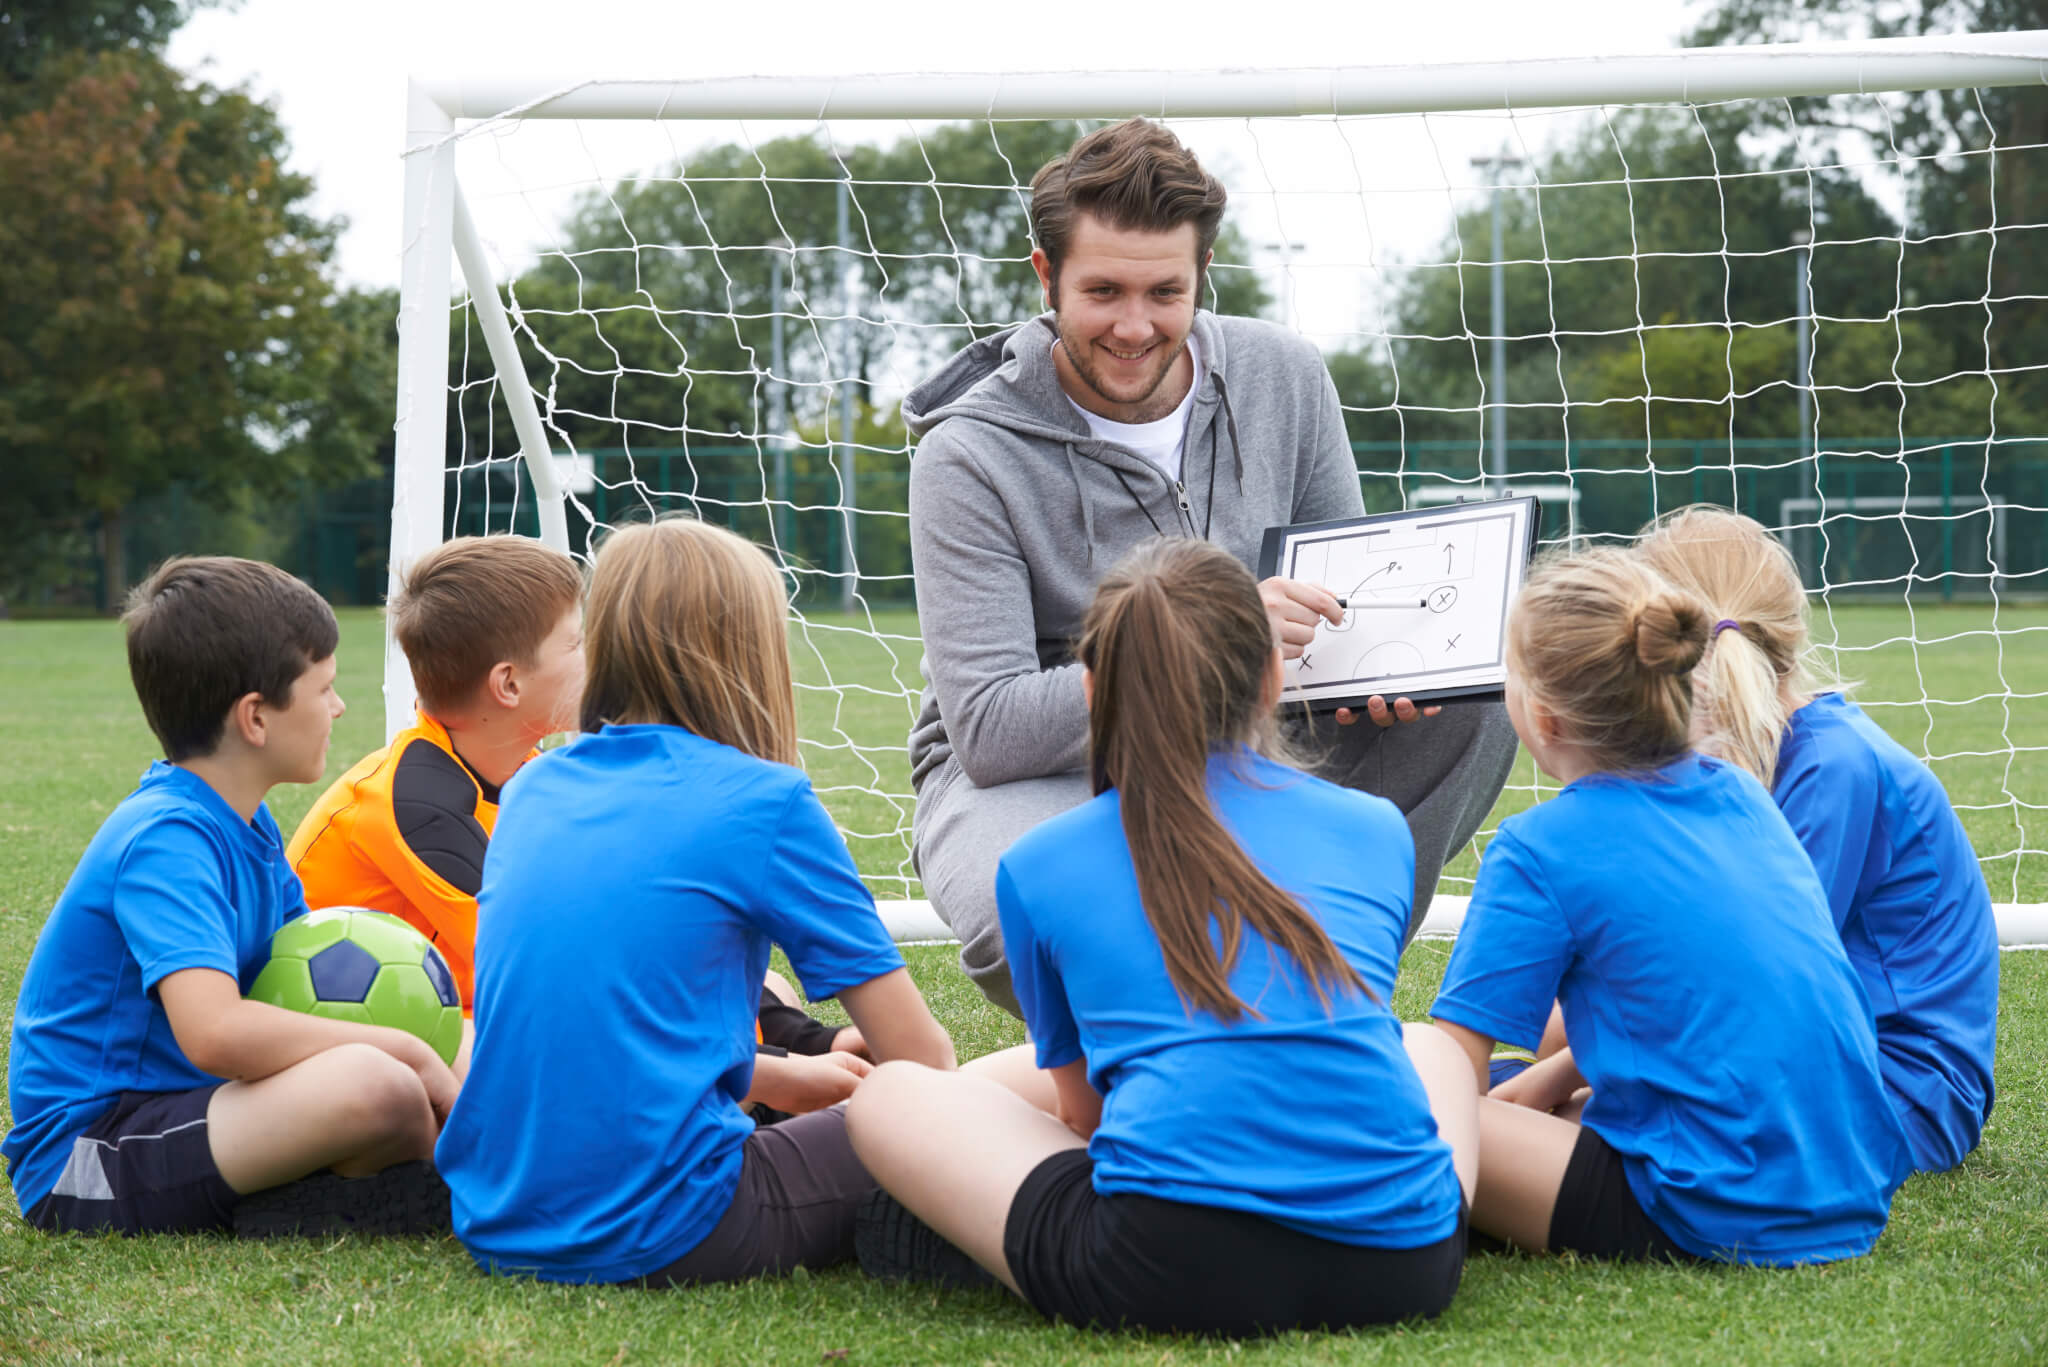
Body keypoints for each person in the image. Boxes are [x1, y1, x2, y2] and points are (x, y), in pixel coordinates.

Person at [905, 116, 1517, 1014]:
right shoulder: (965, 454)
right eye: (1103, 290)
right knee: (1026, 906)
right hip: (1055, 770)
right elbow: (992, 730)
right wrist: (1197, 647)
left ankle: (1324, 988)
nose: (1133, 324)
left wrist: (1380, 669)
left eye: (1165, 291)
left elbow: (1336, 609)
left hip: (1254, 733)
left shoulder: (1287, 376)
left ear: (1201, 277)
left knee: (1476, 704)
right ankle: (1144, 1069)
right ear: (1046, 277)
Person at [846, 539, 1477, 1336]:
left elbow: (1082, 1116)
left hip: (1168, 1268)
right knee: (1431, 1048)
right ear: (1275, 678)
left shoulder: (1038, 862)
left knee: (891, 1098)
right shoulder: (1376, 827)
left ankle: (946, 1220)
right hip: (1408, 1260)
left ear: (1089, 690)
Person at [436, 517, 956, 1286]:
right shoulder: (765, 801)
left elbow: (615, 1024)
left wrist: (778, 1075)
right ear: (751, 651)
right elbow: (925, 1062)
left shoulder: (533, 786)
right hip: (677, 1225)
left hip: (495, 1214)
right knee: (998, 1093)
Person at [1429, 549, 1913, 1266]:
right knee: (1516, 1092)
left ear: (1544, 715)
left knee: (1402, 1074)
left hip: (1708, 1206)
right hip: (1848, 1182)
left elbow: (1453, 1066)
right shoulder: (1742, 791)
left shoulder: (1540, 846)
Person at [4, 558, 456, 1236]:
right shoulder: (166, 838)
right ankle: (406, 1191)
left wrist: (430, 1042)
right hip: (90, 1153)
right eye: (325, 687)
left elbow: (301, 982)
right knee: (381, 1080)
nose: (338, 707)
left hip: (198, 1109)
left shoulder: (249, 822)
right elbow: (214, 1031)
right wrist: (408, 1055)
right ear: (256, 718)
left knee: (453, 1032)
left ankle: (484, 1166)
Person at [288, 534, 857, 1060]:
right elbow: (576, 974)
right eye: (578, 642)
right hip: (378, 1043)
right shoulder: (416, 809)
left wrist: (806, 1041)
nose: (599, 656)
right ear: (508, 684)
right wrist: (779, 1063)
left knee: (763, 984)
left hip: (486, 1005)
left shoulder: (532, 777)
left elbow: (639, 933)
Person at [1636, 505, 1998, 1172]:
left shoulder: (1835, 766)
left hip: (1899, 1089)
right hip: (1800, 1059)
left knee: (1576, 1127)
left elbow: (1746, 980)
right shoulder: (1739, 761)